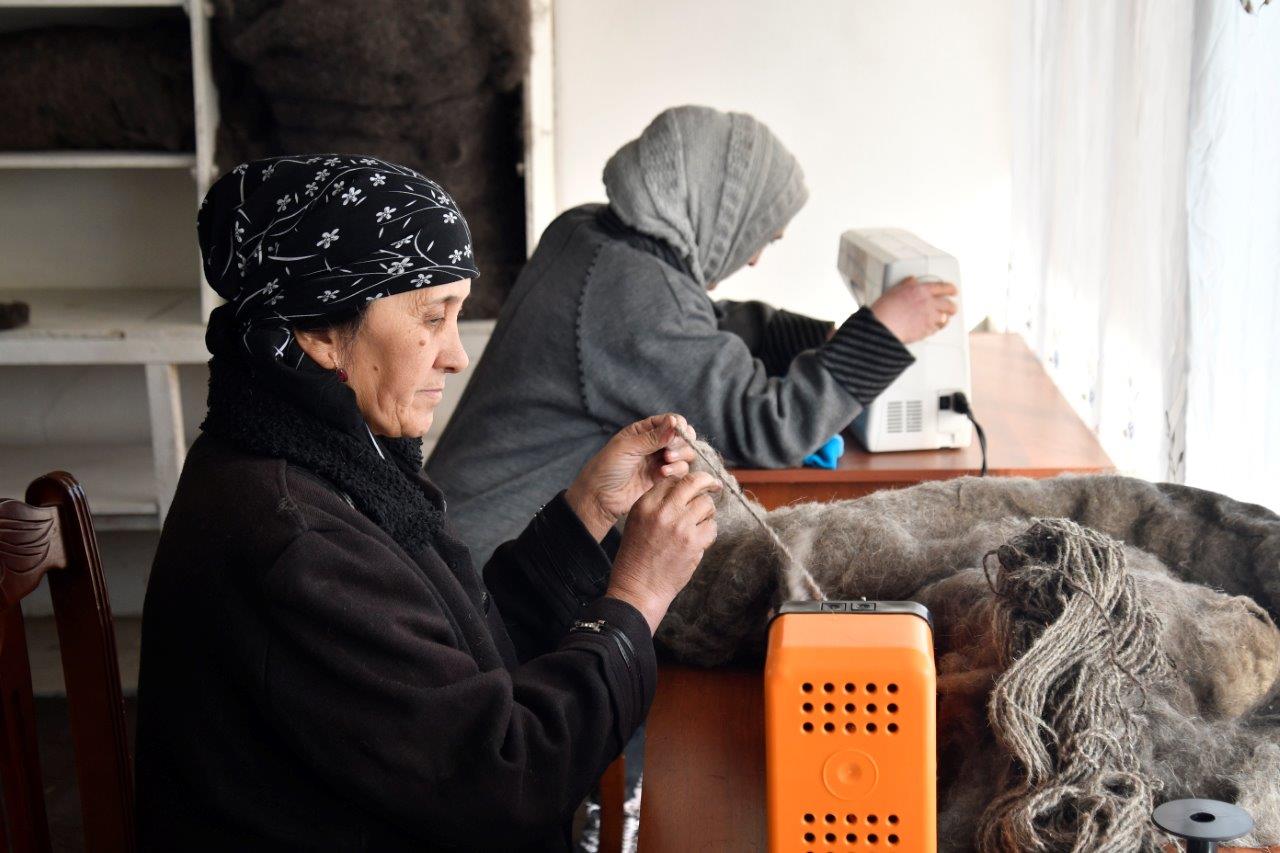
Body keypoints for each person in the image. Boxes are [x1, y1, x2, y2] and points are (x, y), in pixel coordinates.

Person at [134, 155, 720, 851]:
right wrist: (639, 596)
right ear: (320, 332)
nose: (456, 355)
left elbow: (456, 657)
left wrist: (588, 510)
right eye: (434, 317)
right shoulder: (293, 537)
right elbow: (505, 778)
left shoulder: (331, 458)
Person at [427, 105, 959, 566]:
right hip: (484, 578)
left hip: (448, 535)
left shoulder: (587, 231)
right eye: (761, 238)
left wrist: (818, 335)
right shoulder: (633, 295)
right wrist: (883, 333)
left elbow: (694, 319)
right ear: (717, 209)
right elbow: (769, 428)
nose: (754, 258)